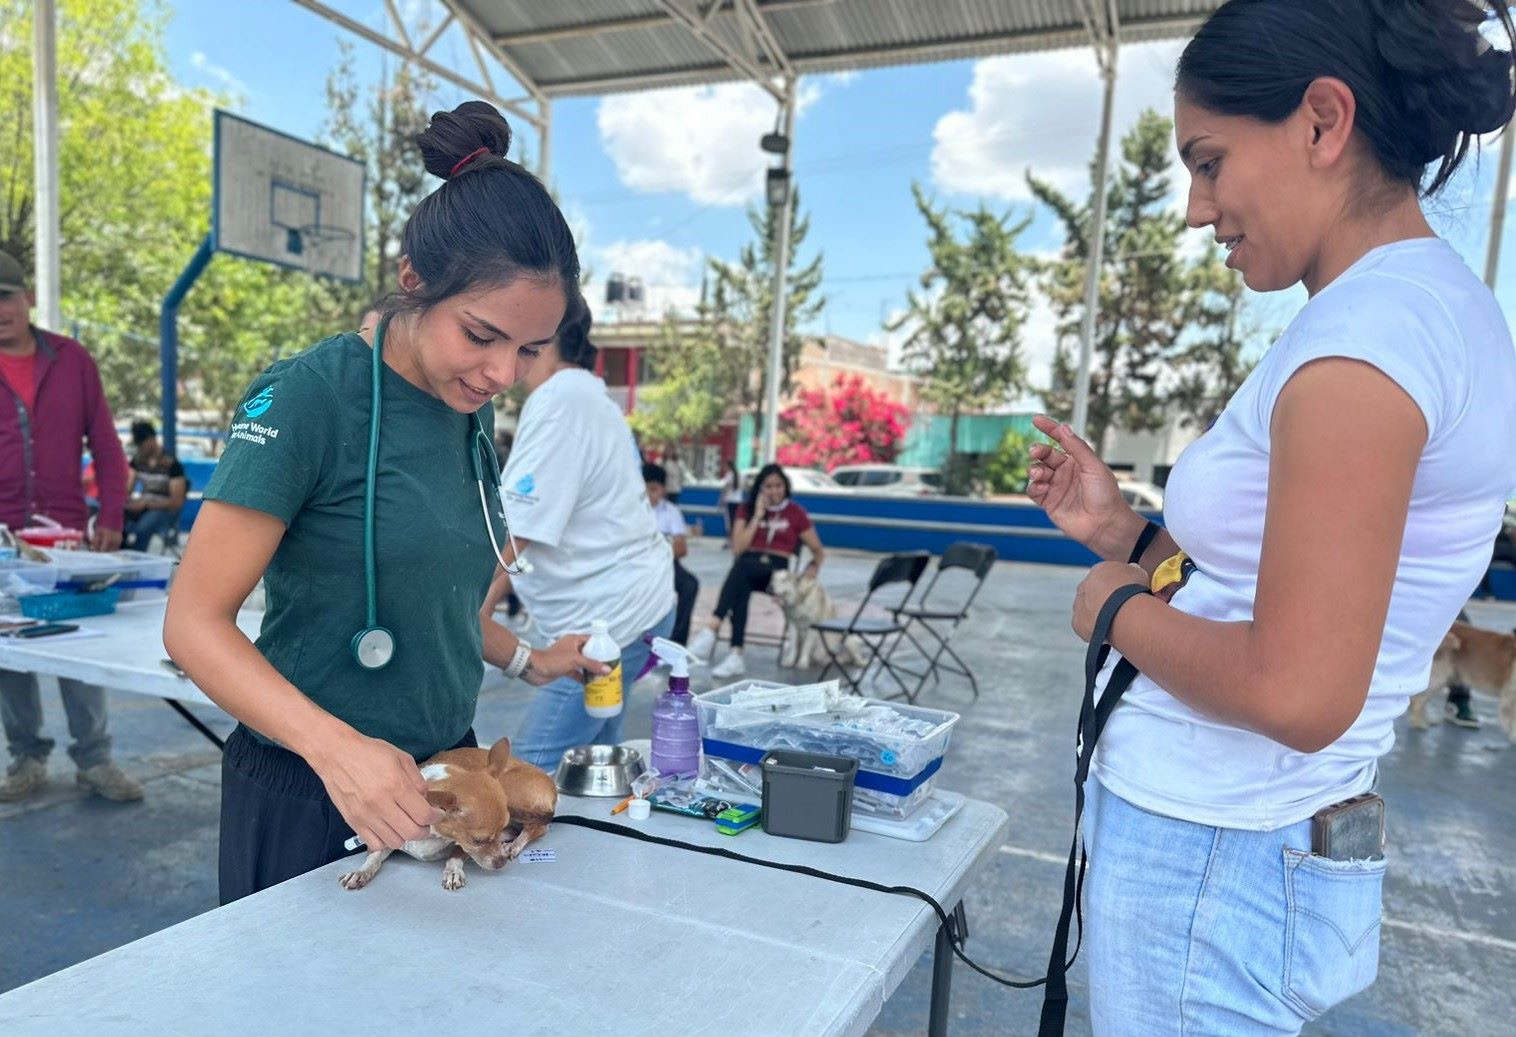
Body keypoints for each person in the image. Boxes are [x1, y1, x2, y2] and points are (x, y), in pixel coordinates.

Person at [1026, 2, 1516, 1032]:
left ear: (1322, 121)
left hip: (1210, 850)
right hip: (1242, 843)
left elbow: (1297, 688)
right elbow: (1276, 588)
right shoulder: (1417, 311)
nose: (1196, 208)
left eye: (1208, 162)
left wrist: (1113, 608)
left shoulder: (1367, 339)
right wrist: (1127, 538)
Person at [163, 101, 607, 903]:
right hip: (316, 784)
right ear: (413, 282)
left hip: (449, 779)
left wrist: (529, 660)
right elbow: (193, 623)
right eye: (482, 335)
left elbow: (435, 598)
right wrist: (336, 749)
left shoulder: (470, 409)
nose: (502, 373)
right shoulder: (308, 400)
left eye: (529, 349)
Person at [485, 294, 674, 769]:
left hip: (610, 621)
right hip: (631, 604)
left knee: (532, 767)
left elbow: (514, 533)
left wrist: (471, 615)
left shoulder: (560, 400)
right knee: (597, 763)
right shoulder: (588, 394)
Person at [0, 249, 140, 804]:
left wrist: (111, 515)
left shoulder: (72, 360)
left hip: (64, 539)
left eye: (6, 297)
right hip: (3, 539)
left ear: (28, 297)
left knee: (79, 648)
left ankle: (95, 759)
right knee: (10, 654)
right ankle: (26, 756)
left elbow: (106, 444)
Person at [686, 463, 825, 679]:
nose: (774, 491)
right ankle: (736, 654)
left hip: (776, 573)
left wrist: (812, 568)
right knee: (742, 582)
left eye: (778, 486)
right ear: (760, 488)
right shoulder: (747, 509)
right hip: (748, 564)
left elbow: (818, 550)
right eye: (768, 486)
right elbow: (738, 548)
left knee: (741, 571)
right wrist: (757, 516)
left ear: (786, 487)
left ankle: (712, 628)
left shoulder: (795, 513)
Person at [644, 462, 698, 645]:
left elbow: (681, 549)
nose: (649, 494)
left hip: (666, 564)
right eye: (645, 489)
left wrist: (656, 552)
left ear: (663, 490)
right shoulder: (631, 511)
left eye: (654, 489)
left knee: (690, 585)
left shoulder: (671, 511)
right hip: (637, 565)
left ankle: (676, 641)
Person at [122, 420, 188, 551]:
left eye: (142, 444)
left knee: (143, 528)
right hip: (143, 505)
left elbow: (176, 502)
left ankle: (138, 555)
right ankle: (122, 551)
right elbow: (127, 489)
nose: (140, 448)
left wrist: (147, 504)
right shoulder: (137, 462)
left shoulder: (172, 465)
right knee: (117, 518)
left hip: (164, 510)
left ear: (151, 440)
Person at [719, 459, 743, 541]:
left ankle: (729, 539)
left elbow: (725, 488)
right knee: (736, 520)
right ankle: (735, 538)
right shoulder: (739, 475)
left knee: (729, 521)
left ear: (728, 466)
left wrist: (721, 499)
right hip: (738, 500)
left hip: (730, 500)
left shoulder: (729, 475)